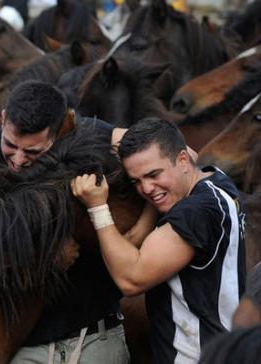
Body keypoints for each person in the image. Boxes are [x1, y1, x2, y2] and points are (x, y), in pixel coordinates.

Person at [0, 80, 153, 363]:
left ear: (62, 131)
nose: (18, 160)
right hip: (29, 346)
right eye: (10, 145)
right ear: (4, 118)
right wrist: (42, 256)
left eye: (32, 152)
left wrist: (140, 229)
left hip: (97, 336)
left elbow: (176, 156)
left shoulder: (88, 133)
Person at [71, 118, 246, 364]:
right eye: (137, 181)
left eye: (154, 174)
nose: (147, 189)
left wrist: (97, 206)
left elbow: (132, 279)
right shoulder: (218, 182)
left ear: (183, 160)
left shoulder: (195, 213)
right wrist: (158, 200)